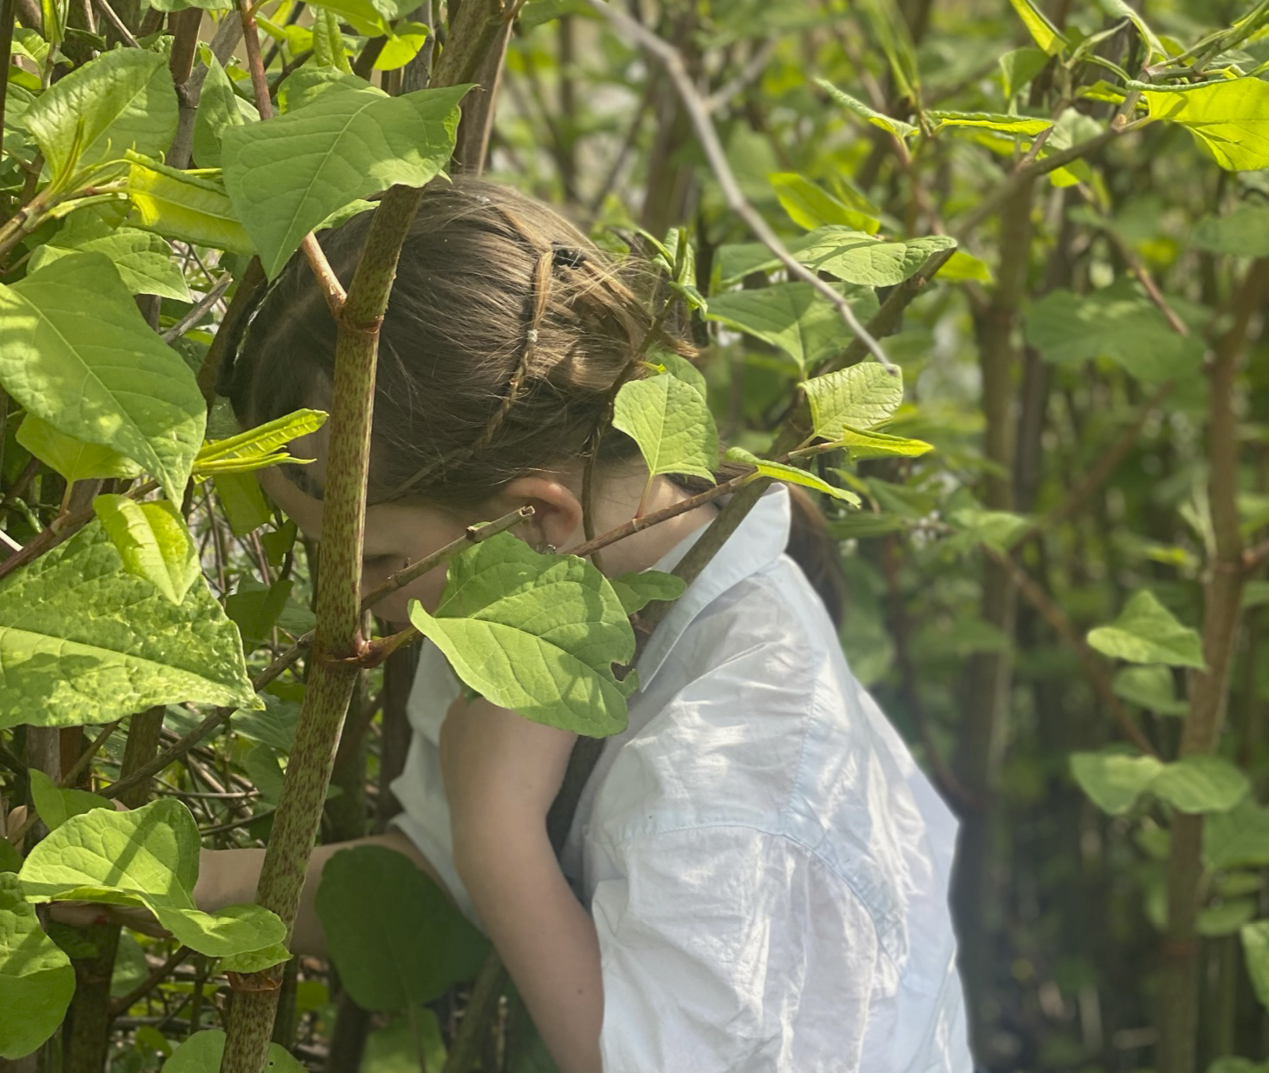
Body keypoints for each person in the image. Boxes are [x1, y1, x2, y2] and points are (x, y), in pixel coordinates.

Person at [67, 182, 973, 1071]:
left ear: (533, 518)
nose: (351, 602)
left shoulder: (742, 766)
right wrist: (136, 879)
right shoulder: (516, 602)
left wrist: (498, 834)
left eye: (376, 559)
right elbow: (435, 872)